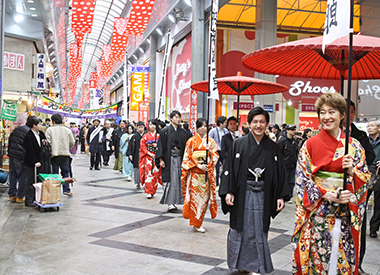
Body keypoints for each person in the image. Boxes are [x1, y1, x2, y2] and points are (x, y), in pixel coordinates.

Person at [292, 92, 370, 275]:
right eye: (322, 112)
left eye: (332, 111)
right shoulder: (309, 145)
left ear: (343, 115)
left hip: (344, 215)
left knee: (341, 263)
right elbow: (301, 179)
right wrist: (327, 194)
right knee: (316, 263)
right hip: (318, 216)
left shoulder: (354, 146)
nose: (326, 117)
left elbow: (365, 180)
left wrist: (352, 172)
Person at [219, 107, 287, 274]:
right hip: (242, 193)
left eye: (262, 122)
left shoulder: (273, 147)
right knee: (240, 229)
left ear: (267, 124)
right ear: (249, 124)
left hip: (264, 194)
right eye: (255, 122)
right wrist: (228, 191)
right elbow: (228, 169)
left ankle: (257, 265)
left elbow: (280, 173)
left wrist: (280, 196)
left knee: (259, 230)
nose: (258, 125)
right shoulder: (239, 144)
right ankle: (241, 265)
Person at [345, 101, 376, 275]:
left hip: (357, 190)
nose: (349, 115)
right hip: (335, 192)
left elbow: (370, 159)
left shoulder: (361, 136)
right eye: (345, 111)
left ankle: (358, 264)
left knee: (358, 227)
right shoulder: (330, 135)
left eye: (352, 111)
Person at [181, 118, 219, 233]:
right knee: (195, 200)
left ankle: (198, 221)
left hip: (206, 176)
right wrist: (197, 165)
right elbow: (186, 158)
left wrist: (211, 153)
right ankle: (196, 223)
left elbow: (216, 155)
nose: (203, 128)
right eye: (200, 126)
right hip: (195, 176)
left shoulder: (211, 141)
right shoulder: (191, 141)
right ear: (197, 127)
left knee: (204, 201)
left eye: (205, 126)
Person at [156, 110, 192, 211]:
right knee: (170, 181)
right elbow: (161, 146)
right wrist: (160, 159)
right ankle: (170, 203)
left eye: (179, 117)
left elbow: (188, 146)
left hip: (180, 158)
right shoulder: (165, 131)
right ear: (171, 119)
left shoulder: (184, 133)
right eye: (175, 117)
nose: (178, 119)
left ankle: (178, 200)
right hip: (168, 158)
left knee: (179, 180)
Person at [46, 113, 75, 196]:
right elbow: (72, 142)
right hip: (65, 154)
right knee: (65, 172)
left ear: (53, 121)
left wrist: (52, 149)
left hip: (54, 154)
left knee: (55, 173)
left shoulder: (50, 130)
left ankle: (55, 190)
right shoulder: (67, 130)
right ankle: (66, 189)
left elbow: (48, 142)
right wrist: (67, 148)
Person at [23, 116, 47, 207]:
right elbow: (29, 151)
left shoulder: (41, 134)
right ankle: (29, 199)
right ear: (34, 125)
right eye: (39, 124)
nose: (40, 126)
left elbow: (44, 144)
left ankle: (38, 198)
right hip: (30, 162)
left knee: (39, 180)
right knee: (30, 180)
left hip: (41, 160)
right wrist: (34, 162)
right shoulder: (28, 136)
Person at [139, 119, 162, 198]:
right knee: (148, 173)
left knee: (155, 174)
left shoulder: (159, 136)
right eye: (150, 125)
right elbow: (142, 146)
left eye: (153, 125)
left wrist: (157, 146)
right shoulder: (145, 136)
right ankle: (148, 191)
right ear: (148, 126)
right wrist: (149, 153)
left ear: (156, 126)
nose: (152, 126)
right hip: (148, 157)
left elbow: (162, 146)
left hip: (156, 156)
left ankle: (153, 190)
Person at [8, 124, 29, 203]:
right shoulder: (28, 132)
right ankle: (20, 196)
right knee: (22, 176)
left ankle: (11, 195)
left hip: (12, 155)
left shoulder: (17, 129)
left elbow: (10, 141)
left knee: (13, 175)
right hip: (21, 157)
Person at [277, 124, 299, 202]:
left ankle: (289, 196)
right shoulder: (282, 141)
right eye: (291, 130)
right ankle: (284, 195)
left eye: (294, 130)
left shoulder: (295, 141)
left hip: (292, 164)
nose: (293, 131)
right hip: (284, 165)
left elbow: (297, 152)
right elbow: (278, 153)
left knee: (291, 181)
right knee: (284, 180)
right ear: (287, 131)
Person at [367, 118, 380, 240]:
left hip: (379, 173)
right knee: (362, 199)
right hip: (366, 172)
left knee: (378, 203)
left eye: (372, 125)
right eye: (368, 126)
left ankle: (373, 228)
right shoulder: (365, 141)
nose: (370, 127)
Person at [209, 116, 228, 186]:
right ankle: (216, 183)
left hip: (224, 151)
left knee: (226, 166)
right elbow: (209, 140)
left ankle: (222, 179)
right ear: (221, 123)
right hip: (216, 151)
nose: (226, 123)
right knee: (216, 168)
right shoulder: (213, 131)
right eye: (225, 122)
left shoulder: (226, 131)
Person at [126, 121, 145, 189]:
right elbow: (131, 146)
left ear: (144, 127)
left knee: (145, 169)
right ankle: (137, 182)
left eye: (142, 127)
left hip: (145, 154)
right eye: (139, 127)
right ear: (137, 128)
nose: (140, 129)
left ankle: (145, 183)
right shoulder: (134, 136)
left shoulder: (146, 136)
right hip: (136, 154)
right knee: (136, 168)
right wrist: (130, 154)